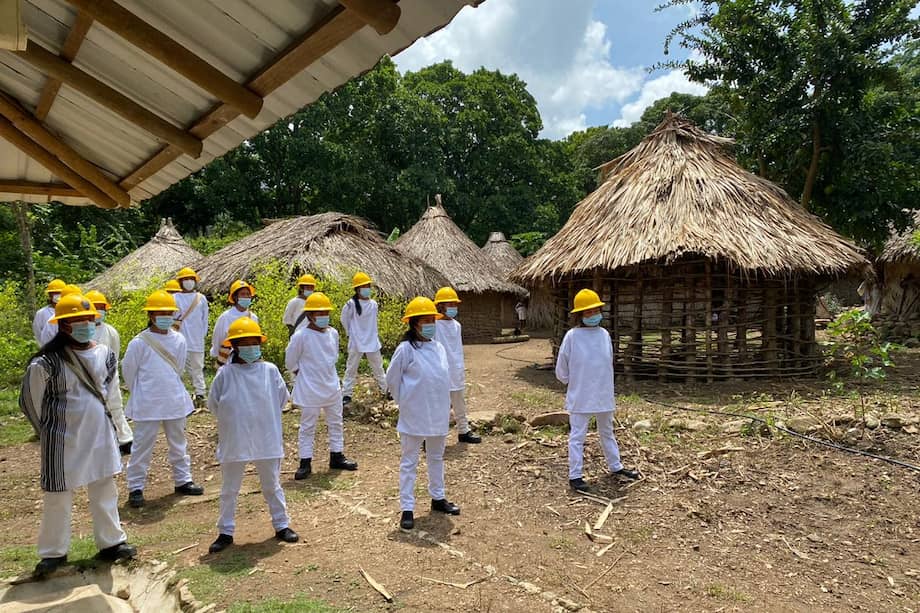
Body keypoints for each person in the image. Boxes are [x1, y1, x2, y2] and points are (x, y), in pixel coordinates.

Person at [20, 293, 136, 578]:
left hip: (98, 434)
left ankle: (111, 542)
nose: (85, 324)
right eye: (78, 320)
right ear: (64, 325)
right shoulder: (45, 363)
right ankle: (53, 552)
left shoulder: (105, 355)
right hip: (62, 438)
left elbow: (109, 395)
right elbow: (31, 402)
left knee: (104, 488)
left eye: (88, 319)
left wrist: (119, 432)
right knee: (58, 494)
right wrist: (47, 431)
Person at [207, 317, 299, 553]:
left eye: (253, 341)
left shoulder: (270, 371)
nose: (249, 346)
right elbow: (214, 404)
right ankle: (225, 531)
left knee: (272, 485)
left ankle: (281, 525)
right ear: (235, 346)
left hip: (265, 437)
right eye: (244, 342)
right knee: (229, 489)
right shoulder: (225, 374)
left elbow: (281, 399)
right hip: (235, 439)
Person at [122, 290, 204, 508]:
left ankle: (183, 480)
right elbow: (129, 371)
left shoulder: (179, 339)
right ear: (151, 315)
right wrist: (141, 391)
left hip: (174, 399)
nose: (165, 316)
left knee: (179, 443)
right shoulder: (139, 342)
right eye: (160, 312)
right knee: (142, 447)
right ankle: (136, 487)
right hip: (148, 402)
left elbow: (178, 367)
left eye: (169, 312)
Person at [385, 297, 460, 531]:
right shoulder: (405, 349)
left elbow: (442, 378)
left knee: (436, 457)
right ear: (414, 324)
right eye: (426, 321)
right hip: (414, 413)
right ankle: (407, 508)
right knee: (410, 461)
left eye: (432, 320)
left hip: (437, 412)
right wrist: (403, 401)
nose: (431, 324)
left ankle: (438, 498)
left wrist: (446, 405)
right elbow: (392, 378)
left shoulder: (438, 347)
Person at [555, 289, 640, 493]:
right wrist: (574, 383)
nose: (593, 315)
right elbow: (561, 369)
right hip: (581, 395)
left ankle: (615, 466)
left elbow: (607, 362)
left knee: (607, 431)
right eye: (587, 312)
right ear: (579, 315)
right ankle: (575, 476)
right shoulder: (572, 336)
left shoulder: (604, 335)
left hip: (603, 393)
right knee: (578, 436)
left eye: (595, 310)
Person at [285, 292, 358, 480]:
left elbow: (332, 357)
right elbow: (290, 361)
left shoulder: (333, 333)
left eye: (326, 312)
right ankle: (305, 462)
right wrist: (299, 372)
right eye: (319, 313)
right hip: (310, 387)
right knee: (308, 425)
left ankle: (337, 455)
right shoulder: (301, 335)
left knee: (336, 422)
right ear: (310, 315)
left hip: (331, 385)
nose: (324, 316)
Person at [85, 290, 133, 455]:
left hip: (110, 376)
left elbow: (115, 354)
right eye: (95, 307)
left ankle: (124, 439)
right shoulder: (84, 331)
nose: (99, 311)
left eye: (101, 307)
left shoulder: (111, 331)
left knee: (115, 407)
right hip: (87, 378)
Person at [433, 287, 480, 444]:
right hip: (439, 370)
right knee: (440, 405)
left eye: (455, 304)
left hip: (456, 368)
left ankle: (463, 431)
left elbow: (457, 348)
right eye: (449, 304)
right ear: (440, 306)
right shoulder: (434, 325)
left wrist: (460, 366)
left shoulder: (456, 325)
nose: (453, 307)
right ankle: (434, 436)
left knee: (459, 402)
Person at [340, 272, 387, 405]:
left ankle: (385, 389)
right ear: (357, 289)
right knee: (351, 369)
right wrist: (351, 332)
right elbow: (344, 319)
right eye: (363, 286)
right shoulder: (350, 304)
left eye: (368, 286)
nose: (367, 288)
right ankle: (347, 394)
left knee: (378, 367)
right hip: (356, 341)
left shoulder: (373, 304)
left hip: (372, 340)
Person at [172, 267, 210, 406]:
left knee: (197, 369)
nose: (188, 282)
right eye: (185, 279)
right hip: (178, 341)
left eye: (190, 279)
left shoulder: (201, 299)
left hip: (196, 341)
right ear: (180, 282)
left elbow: (204, 320)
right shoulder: (174, 298)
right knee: (178, 369)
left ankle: (200, 395)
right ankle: (181, 396)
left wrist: (201, 337)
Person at [211, 280, 258, 368]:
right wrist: (218, 354)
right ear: (235, 297)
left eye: (248, 294)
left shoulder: (253, 317)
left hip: (249, 357)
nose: (246, 296)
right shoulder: (225, 317)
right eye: (243, 294)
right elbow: (217, 338)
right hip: (229, 358)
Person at [32, 278, 65, 344]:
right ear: (50, 295)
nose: (57, 295)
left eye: (59, 293)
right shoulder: (41, 313)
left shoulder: (68, 311)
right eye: (54, 293)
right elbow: (37, 332)